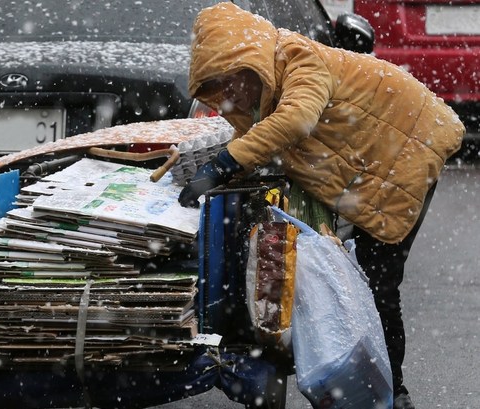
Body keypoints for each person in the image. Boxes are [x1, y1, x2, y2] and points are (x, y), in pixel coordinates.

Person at [178, 3, 466, 409]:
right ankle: (361, 383)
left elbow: (297, 121)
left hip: (409, 148)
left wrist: (226, 162)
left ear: (249, 64)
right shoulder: (263, 87)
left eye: (230, 81)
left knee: (378, 280)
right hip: (371, 162)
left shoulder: (300, 59)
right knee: (346, 275)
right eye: (217, 87)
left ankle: (390, 391)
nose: (229, 96)